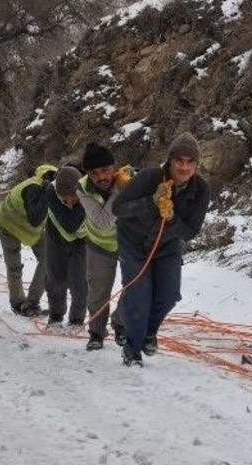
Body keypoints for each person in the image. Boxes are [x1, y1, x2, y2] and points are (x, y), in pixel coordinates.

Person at [112, 132, 211, 366]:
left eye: (190, 162)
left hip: (167, 244)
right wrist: (151, 202)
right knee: (138, 295)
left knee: (168, 295)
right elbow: (118, 209)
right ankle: (132, 349)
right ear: (170, 161)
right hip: (133, 242)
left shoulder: (201, 190)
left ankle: (149, 332)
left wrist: (172, 218)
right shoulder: (149, 177)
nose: (184, 167)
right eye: (179, 161)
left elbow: (190, 231)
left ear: (196, 165)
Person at [75, 143, 134, 350]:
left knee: (135, 285)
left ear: (114, 167)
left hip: (128, 242)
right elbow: (103, 222)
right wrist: (120, 191)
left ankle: (121, 323)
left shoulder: (131, 178)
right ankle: (96, 333)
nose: (101, 177)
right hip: (98, 243)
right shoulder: (82, 189)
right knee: (98, 291)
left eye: (105, 170)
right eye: (94, 173)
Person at [0, 164, 56, 317]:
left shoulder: (58, 190)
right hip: (8, 224)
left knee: (49, 259)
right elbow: (35, 218)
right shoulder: (33, 188)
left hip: (30, 230)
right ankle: (18, 303)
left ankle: (32, 303)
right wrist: (47, 193)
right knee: (14, 266)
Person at [44, 166, 89, 328]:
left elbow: (74, 224)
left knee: (79, 281)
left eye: (74, 198)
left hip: (81, 241)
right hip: (55, 237)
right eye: (65, 199)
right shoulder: (50, 191)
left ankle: (77, 319)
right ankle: (55, 316)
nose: (70, 202)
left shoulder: (86, 191)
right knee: (55, 279)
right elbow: (69, 225)